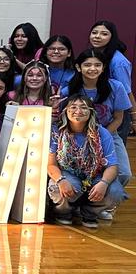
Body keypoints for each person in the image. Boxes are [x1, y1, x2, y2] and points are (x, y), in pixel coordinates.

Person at [48, 94, 125, 228]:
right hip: (68, 173)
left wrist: (104, 183)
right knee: (56, 188)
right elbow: (51, 164)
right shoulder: (57, 131)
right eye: (73, 107)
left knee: (116, 192)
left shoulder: (101, 133)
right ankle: (63, 212)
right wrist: (61, 180)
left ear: (91, 112)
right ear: (65, 111)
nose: (78, 111)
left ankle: (90, 213)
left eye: (83, 107)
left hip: (95, 174)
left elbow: (112, 166)